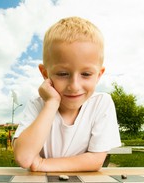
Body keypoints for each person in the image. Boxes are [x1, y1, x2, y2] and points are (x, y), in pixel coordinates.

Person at [13, 16, 121, 172]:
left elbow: (96, 160)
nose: (74, 86)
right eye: (63, 74)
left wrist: (43, 164)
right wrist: (51, 104)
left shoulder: (101, 103)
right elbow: (24, 157)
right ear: (45, 73)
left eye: (86, 74)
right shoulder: (38, 104)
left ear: (99, 75)